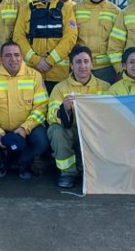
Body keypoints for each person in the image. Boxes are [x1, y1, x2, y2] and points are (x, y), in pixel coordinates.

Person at [0, 42, 50, 180]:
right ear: (0, 59)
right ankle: (1, 162)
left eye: (16, 55)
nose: (13, 59)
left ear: (22, 57)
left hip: (26, 129)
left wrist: (24, 129)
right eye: (8, 55)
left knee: (42, 140)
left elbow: (41, 107)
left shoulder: (34, 76)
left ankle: (23, 162)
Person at [46, 45, 111, 188]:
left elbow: (110, 116)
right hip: (71, 132)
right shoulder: (60, 88)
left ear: (92, 64)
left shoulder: (105, 87)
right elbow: (51, 116)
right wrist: (64, 109)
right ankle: (67, 173)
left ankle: (87, 170)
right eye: (78, 62)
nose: (83, 66)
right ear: (71, 65)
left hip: (93, 132)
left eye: (86, 61)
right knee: (55, 130)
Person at [13, 0, 79, 93]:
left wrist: (50, 61)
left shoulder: (66, 9)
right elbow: (18, 36)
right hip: (32, 72)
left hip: (59, 75)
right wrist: (36, 60)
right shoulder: (26, 8)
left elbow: (70, 37)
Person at [73, 0, 122, 84]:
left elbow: (119, 44)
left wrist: (119, 69)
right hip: (81, 67)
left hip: (105, 69)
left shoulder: (116, 12)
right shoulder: (75, 10)